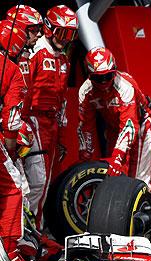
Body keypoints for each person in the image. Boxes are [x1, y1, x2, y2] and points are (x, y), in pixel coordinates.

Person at [25, 5, 78, 230]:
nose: (65, 39)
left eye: (71, 35)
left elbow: (63, 98)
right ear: (49, 28)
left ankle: (34, 230)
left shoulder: (64, 59)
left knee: (45, 181)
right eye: (62, 33)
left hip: (52, 124)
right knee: (35, 181)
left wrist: (62, 134)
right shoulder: (35, 50)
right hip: (32, 121)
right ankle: (25, 231)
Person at [78, 47, 149, 179]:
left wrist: (118, 155)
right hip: (114, 129)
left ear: (114, 72)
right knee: (112, 170)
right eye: (99, 78)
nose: (104, 81)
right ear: (89, 75)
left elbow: (129, 125)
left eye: (107, 76)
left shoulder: (125, 86)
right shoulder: (85, 91)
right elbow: (85, 125)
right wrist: (86, 152)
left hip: (142, 127)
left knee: (136, 175)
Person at [0, 20, 28, 261]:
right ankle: (8, 253)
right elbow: (11, 119)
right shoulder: (12, 71)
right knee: (12, 187)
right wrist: (10, 149)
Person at [6, 5, 43, 120]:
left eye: (39, 30)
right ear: (19, 29)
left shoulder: (31, 55)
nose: (39, 34)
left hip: (24, 119)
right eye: (33, 30)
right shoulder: (5, 57)